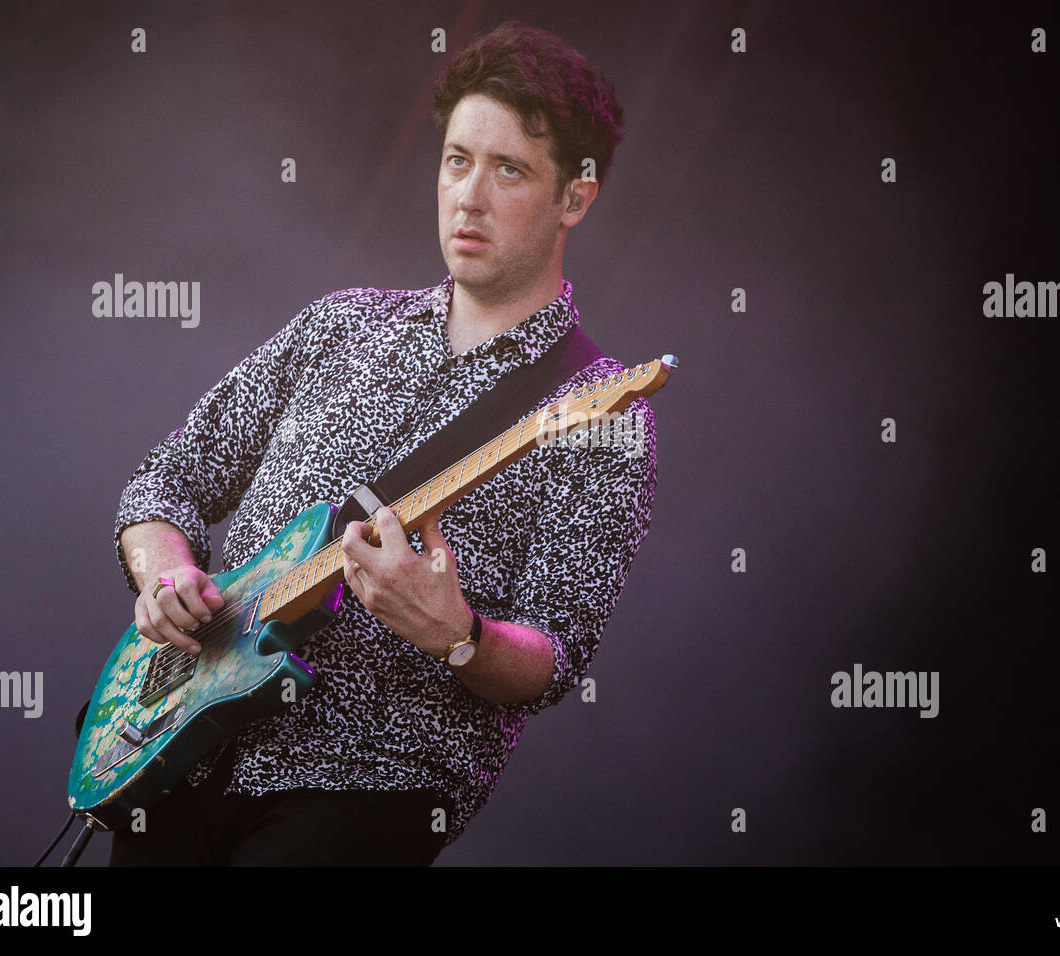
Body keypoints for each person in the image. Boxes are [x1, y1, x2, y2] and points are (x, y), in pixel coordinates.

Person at [108, 20, 657, 866]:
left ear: (574, 198)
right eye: (456, 159)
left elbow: (553, 657)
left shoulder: (605, 410)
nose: (468, 196)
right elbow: (165, 484)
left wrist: (460, 633)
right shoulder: (338, 324)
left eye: (508, 169)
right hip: (186, 756)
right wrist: (167, 574)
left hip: (368, 785)